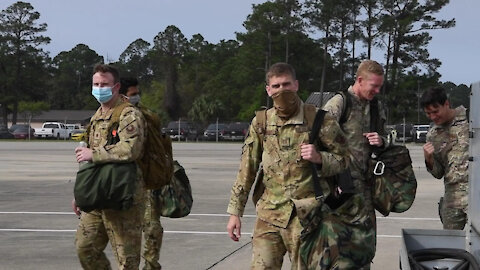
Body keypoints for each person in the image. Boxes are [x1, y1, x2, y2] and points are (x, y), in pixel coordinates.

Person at [226, 62, 350, 269]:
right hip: (269, 214)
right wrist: (234, 213)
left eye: (286, 85)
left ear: (296, 85)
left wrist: (320, 158)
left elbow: (344, 159)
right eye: (276, 86)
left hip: (307, 217)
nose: (281, 90)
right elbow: (247, 168)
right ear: (268, 89)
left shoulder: (318, 119)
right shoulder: (261, 122)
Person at [72, 64, 146, 269]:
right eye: (96, 84)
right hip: (97, 195)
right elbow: (87, 160)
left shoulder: (129, 114)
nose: (99, 88)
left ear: (116, 87)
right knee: (85, 247)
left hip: (122, 196)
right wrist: (81, 193)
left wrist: (94, 154)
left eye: (104, 84)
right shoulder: (96, 117)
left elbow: (131, 150)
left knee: (127, 259)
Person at [322, 59, 388, 268]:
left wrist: (381, 140)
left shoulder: (376, 107)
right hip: (342, 190)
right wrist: (331, 181)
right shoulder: (339, 103)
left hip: (366, 190)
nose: (377, 91)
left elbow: (387, 139)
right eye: (374, 86)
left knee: (364, 248)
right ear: (360, 80)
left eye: (380, 86)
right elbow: (318, 138)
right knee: (338, 250)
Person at [120, 77, 164, 270]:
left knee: (153, 229)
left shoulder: (147, 116)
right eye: (132, 94)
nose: (136, 97)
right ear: (121, 95)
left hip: (146, 182)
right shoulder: (112, 116)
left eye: (137, 93)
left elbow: (160, 149)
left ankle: (151, 265)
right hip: (120, 184)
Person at [421, 87, 469, 230]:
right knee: (450, 243)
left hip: (476, 192)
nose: (433, 117)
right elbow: (438, 173)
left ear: (446, 104)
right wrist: (429, 159)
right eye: (428, 113)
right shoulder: (433, 135)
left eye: (435, 111)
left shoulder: (471, 119)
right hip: (453, 197)